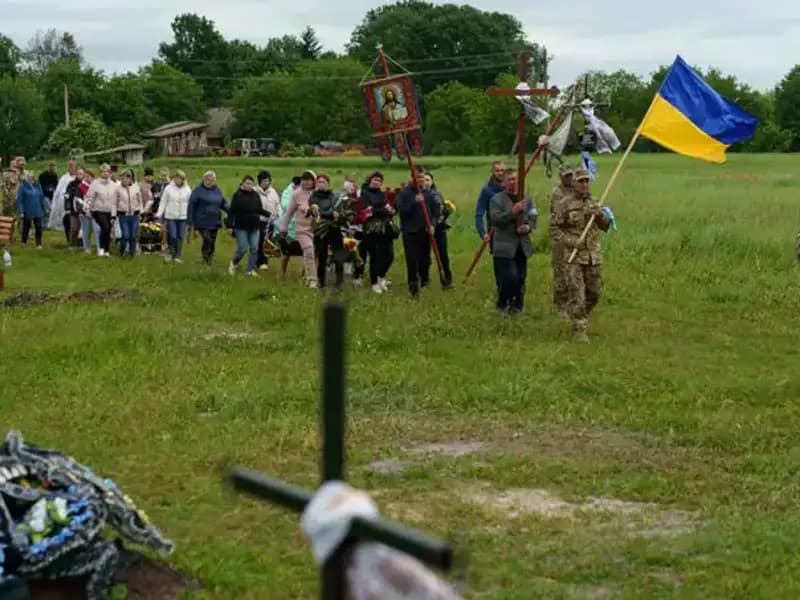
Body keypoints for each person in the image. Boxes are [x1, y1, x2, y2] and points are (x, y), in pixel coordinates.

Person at [552, 168, 611, 342]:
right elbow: (555, 229)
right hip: (574, 256)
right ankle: (580, 329)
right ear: (574, 183)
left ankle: (579, 314)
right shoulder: (564, 203)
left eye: (587, 181)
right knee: (577, 293)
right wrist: (571, 241)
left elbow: (606, 227)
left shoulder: (595, 202)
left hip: (593, 256)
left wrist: (600, 216)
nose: (584, 184)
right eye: (581, 181)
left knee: (595, 292)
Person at [397, 168, 440, 298]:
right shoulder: (405, 194)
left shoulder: (428, 194)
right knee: (412, 261)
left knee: (425, 260)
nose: (420, 180)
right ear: (412, 177)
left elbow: (436, 212)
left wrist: (432, 225)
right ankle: (413, 289)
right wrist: (414, 202)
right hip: (411, 233)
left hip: (425, 233)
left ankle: (424, 281)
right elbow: (402, 212)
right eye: (417, 177)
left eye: (422, 177)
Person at [309, 172, 349, 291]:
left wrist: (341, 216)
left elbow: (340, 209)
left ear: (328, 183)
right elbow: (315, 212)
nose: (321, 184)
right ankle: (321, 283)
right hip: (321, 231)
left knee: (339, 257)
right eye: (319, 182)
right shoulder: (313, 197)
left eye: (323, 182)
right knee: (322, 257)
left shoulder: (334, 196)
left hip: (334, 230)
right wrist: (331, 214)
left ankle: (339, 283)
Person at [282, 171, 318, 288]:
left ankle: (312, 276)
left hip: (317, 229)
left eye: (309, 180)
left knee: (318, 254)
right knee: (308, 250)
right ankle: (312, 279)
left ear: (314, 181)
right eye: (304, 179)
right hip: (302, 229)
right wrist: (284, 226)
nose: (306, 182)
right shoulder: (296, 194)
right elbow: (289, 213)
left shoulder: (318, 193)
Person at [361, 171, 396, 294]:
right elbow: (367, 212)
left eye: (379, 180)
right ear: (370, 180)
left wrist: (390, 211)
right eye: (375, 180)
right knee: (375, 257)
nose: (377, 182)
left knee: (389, 255)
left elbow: (385, 208)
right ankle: (374, 282)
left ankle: (381, 276)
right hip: (371, 229)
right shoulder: (364, 194)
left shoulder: (382, 194)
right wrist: (383, 210)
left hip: (385, 228)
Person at [228, 175, 269, 277]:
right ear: (242, 184)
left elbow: (258, 209)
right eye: (247, 183)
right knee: (242, 248)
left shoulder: (255, 195)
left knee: (254, 248)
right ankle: (234, 263)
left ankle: (250, 270)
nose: (249, 186)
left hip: (255, 226)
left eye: (251, 184)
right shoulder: (237, 195)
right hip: (241, 226)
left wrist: (268, 214)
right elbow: (231, 212)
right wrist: (229, 226)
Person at [550, 164, 575, 315]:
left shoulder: (576, 189)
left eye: (571, 175)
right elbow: (563, 212)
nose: (570, 178)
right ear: (560, 177)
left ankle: (573, 301)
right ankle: (561, 305)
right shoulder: (557, 192)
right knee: (561, 271)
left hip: (574, 236)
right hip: (560, 236)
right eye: (566, 176)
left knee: (574, 270)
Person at [188, 170, 227, 264]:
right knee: (207, 239)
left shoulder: (218, 191)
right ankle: (205, 256)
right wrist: (190, 222)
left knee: (212, 242)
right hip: (202, 222)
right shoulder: (198, 191)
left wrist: (232, 211)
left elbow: (223, 203)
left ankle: (209, 259)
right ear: (204, 180)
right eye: (207, 180)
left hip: (215, 221)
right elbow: (191, 206)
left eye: (212, 180)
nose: (209, 182)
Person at [423, 172, 453, 289]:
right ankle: (424, 280)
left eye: (428, 180)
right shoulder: (419, 195)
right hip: (423, 229)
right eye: (424, 179)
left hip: (438, 229)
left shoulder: (437, 195)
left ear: (432, 182)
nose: (426, 182)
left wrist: (442, 218)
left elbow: (441, 212)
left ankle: (447, 280)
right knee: (424, 257)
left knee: (443, 256)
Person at [156, 170, 191, 263]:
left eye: (180, 178)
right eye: (176, 178)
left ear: (183, 179)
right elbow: (163, 201)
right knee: (173, 236)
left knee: (180, 236)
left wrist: (190, 216)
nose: (178, 180)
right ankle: (171, 253)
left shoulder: (187, 189)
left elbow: (190, 203)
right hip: (171, 216)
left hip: (183, 217)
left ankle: (178, 256)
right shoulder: (168, 188)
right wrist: (159, 213)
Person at [85, 164, 117, 257]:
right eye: (103, 172)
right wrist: (88, 210)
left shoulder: (113, 185)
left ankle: (106, 250)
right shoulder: (95, 183)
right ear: (100, 173)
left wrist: (114, 215)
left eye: (107, 171)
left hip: (109, 211)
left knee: (107, 230)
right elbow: (89, 197)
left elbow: (115, 201)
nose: (105, 173)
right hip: (98, 210)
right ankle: (102, 249)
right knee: (105, 227)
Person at [278, 176, 303, 279]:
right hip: (288, 229)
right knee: (286, 254)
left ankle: (304, 275)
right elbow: (285, 206)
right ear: (295, 185)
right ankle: (283, 272)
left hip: (302, 229)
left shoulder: (306, 192)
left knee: (306, 254)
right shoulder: (288, 193)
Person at [256, 170, 281, 271]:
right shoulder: (255, 191)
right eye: (263, 181)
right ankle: (260, 261)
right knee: (260, 241)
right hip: (259, 220)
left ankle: (265, 261)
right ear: (259, 182)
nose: (265, 183)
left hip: (271, 221)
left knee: (268, 242)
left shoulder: (273, 191)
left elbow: (277, 204)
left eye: (267, 180)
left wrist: (279, 213)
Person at [115, 169, 143, 258]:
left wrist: (140, 210)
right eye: (122, 178)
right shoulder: (118, 189)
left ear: (130, 179)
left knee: (133, 235)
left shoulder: (136, 188)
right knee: (125, 235)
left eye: (126, 178)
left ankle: (132, 253)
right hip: (123, 215)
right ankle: (122, 251)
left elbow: (140, 201)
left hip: (134, 215)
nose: (124, 180)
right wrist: (113, 215)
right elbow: (114, 203)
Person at [16, 171, 48, 248]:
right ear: (26, 178)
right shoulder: (22, 187)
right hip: (28, 210)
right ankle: (24, 242)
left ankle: (39, 243)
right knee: (26, 227)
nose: (30, 178)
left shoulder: (37, 185)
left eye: (32, 177)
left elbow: (41, 197)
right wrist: (21, 211)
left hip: (37, 210)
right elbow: (20, 200)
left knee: (38, 227)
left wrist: (45, 208)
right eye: (29, 177)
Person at [49, 160, 78, 239]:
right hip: (66, 203)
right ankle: (69, 238)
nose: (71, 169)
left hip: (77, 203)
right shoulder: (64, 178)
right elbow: (59, 191)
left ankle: (78, 240)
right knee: (67, 221)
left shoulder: (78, 177)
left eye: (73, 167)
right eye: (69, 167)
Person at [63, 168, 85, 248]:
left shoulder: (85, 185)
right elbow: (66, 196)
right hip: (73, 210)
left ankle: (81, 244)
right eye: (78, 173)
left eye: (81, 173)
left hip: (83, 210)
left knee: (82, 229)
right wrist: (67, 207)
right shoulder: (71, 184)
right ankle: (72, 244)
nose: (80, 175)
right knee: (74, 228)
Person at [76, 169, 96, 254]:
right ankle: (86, 248)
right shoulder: (81, 186)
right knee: (86, 231)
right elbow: (77, 199)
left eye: (90, 176)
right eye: (87, 176)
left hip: (94, 212)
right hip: (84, 212)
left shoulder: (95, 186)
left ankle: (97, 246)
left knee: (95, 230)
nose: (88, 178)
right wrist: (81, 210)